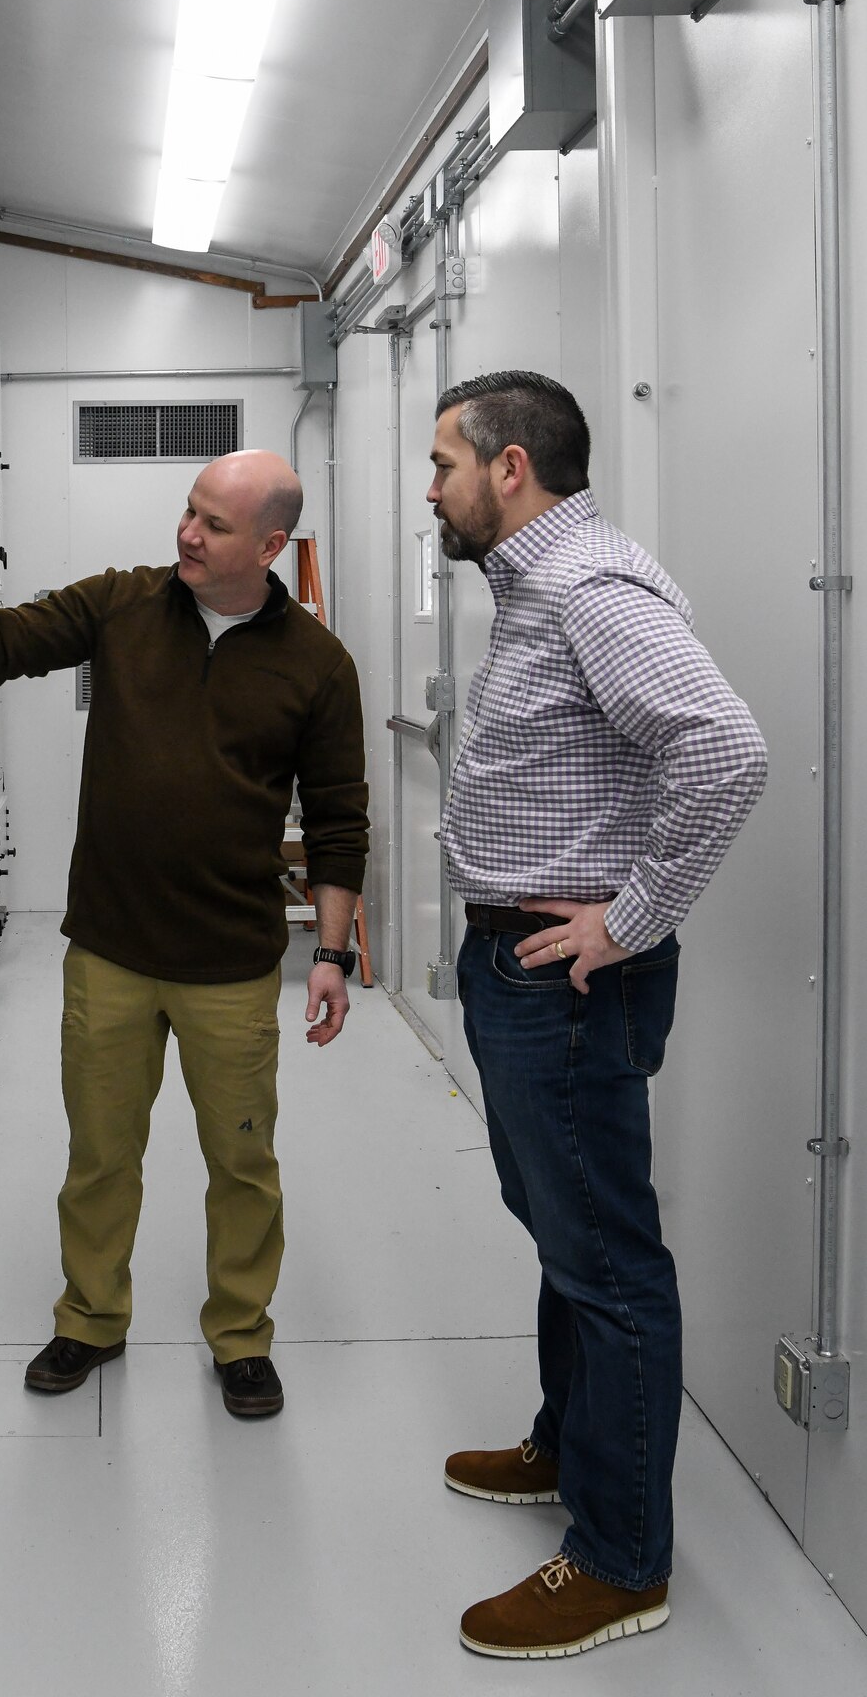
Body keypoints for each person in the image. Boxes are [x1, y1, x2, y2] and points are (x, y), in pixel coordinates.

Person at [0, 449, 368, 1419]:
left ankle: (240, 1334)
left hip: (231, 962)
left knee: (242, 1160)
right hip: (110, 948)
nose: (186, 534)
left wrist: (328, 952)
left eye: (211, 522)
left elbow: (338, 819)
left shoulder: (317, 665)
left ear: (270, 544)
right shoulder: (123, 604)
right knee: (99, 1151)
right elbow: (14, 633)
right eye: (187, 511)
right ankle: (90, 1315)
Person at [427, 372, 767, 1659]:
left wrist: (628, 915)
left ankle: (623, 1559)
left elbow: (724, 748)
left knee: (610, 1260)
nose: (431, 485)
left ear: (510, 468)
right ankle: (566, 1445)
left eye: (444, 461)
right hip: (517, 967)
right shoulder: (534, 589)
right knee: (564, 1229)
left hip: (566, 983)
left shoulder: (586, 587)